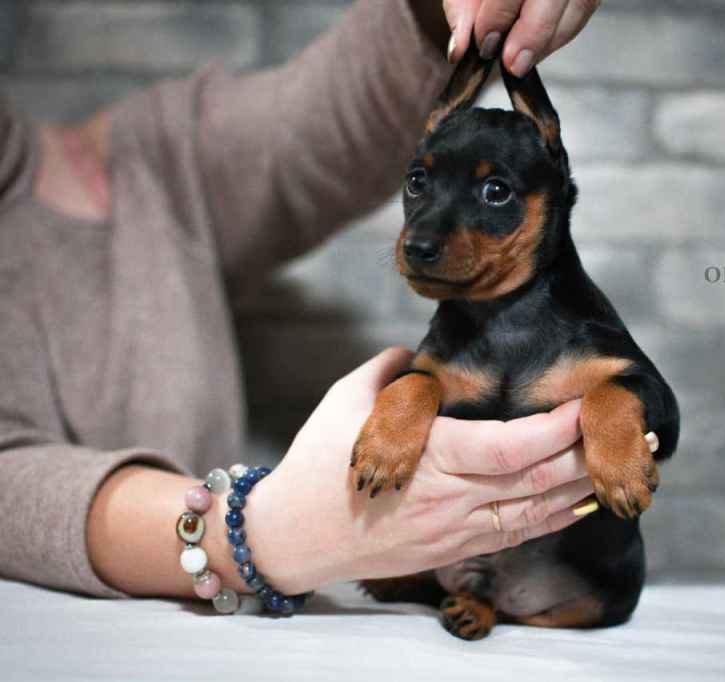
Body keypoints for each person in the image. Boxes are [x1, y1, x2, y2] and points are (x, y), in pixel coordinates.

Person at [0, 0, 600, 603]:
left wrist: (439, 10)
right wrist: (259, 533)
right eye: (418, 186)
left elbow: (329, 122)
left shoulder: (149, 159)